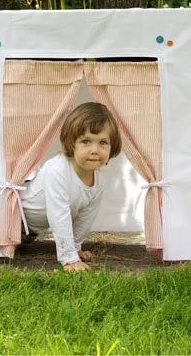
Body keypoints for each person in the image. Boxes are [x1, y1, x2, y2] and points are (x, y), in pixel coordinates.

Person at [20, 102, 122, 272]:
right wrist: (69, 258)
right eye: (86, 141)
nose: (95, 150)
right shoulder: (57, 170)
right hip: (15, 220)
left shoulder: (99, 179)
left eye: (103, 142)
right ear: (71, 143)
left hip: (31, 232)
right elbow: (58, 215)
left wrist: (75, 248)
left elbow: (85, 216)